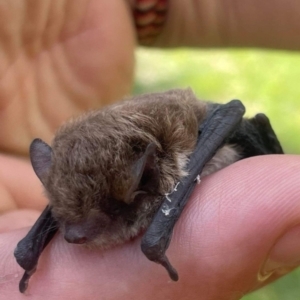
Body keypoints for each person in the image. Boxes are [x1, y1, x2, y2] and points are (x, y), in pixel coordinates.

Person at [0, 1, 300, 299]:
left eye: (95, 220)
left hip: (192, 127)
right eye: (63, 217)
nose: (73, 236)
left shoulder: (161, 163)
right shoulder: (86, 185)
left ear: (147, 179)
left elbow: (231, 112)